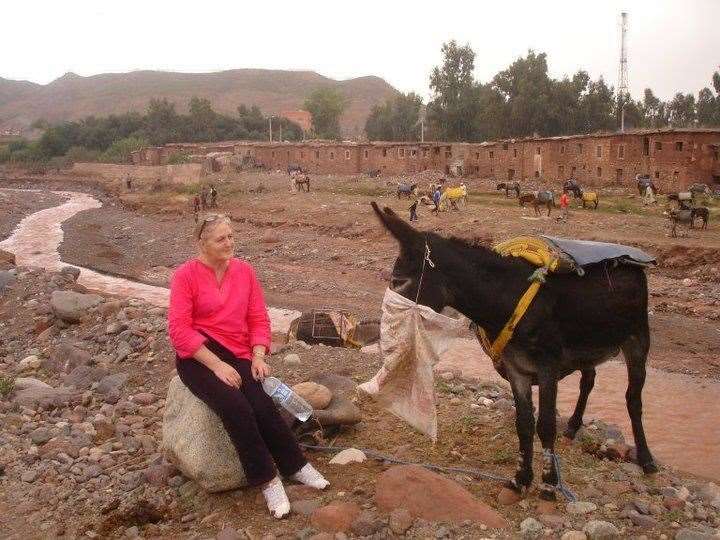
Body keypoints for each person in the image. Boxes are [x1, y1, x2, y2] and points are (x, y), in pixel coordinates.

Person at [167, 214, 329, 518]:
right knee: (236, 407)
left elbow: (258, 318)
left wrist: (257, 356)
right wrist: (216, 365)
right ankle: (267, 480)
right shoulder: (184, 276)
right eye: (221, 239)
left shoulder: (244, 272)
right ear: (201, 243)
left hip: (239, 351)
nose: (229, 243)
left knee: (261, 403)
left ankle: (296, 465)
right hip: (198, 356)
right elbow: (179, 330)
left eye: (231, 236)